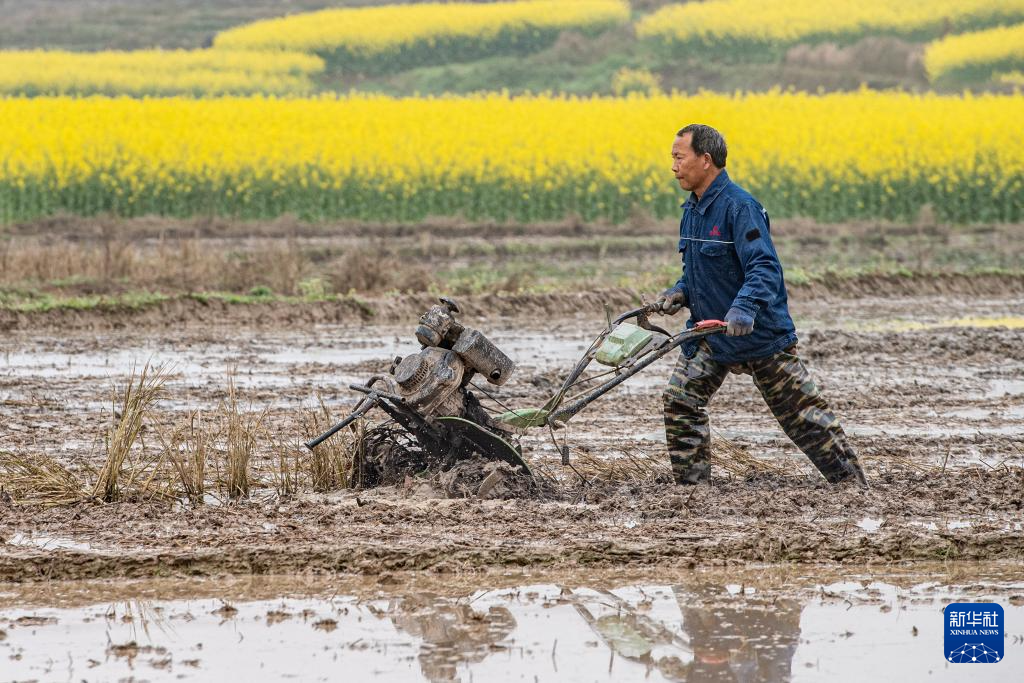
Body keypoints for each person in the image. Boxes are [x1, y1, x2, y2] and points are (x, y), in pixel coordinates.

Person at [655, 124, 867, 487]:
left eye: (679, 158)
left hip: (758, 332)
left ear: (705, 160)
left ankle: (850, 484)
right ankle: (692, 491)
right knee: (680, 400)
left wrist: (744, 309)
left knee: (801, 415)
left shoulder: (740, 208)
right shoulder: (691, 210)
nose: (673, 167)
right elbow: (699, 271)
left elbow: (764, 267)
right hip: (712, 332)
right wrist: (679, 292)